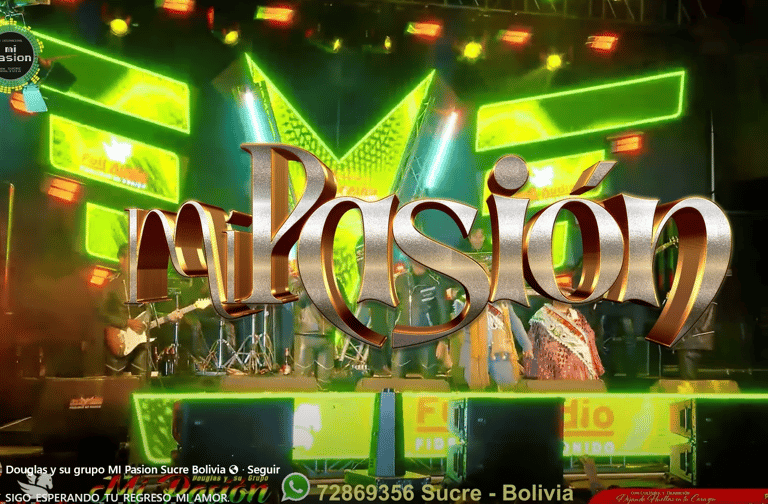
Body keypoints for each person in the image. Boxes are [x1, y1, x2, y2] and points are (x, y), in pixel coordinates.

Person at [100, 244, 183, 376]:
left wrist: (169, 317)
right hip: (119, 341)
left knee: (142, 379)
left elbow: (150, 315)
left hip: (141, 343)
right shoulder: (111, 284)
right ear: (122, 259)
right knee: (115, 382)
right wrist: (126, 322)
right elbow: (101, 313)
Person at [391, 260, 450, 379]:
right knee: (397, 374)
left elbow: (444, 312)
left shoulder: (436, 282)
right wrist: (390, 332)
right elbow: (392, 309)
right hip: (403, 335)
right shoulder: (400, 280)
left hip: (426, 337)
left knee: (429, 375)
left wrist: (443, 341)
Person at [526, 300, 604, 381]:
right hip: (554, 375)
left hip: (581, 374)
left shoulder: (578, 316)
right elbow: (533, 349)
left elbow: (590, 343)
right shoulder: (542, 317)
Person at [292, 275, 335, 389]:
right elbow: (297, 299)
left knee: (324, 382)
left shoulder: (331, 279)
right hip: (308, 334)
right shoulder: (299, 279)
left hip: (324, 335)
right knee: (303, 380)